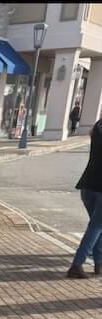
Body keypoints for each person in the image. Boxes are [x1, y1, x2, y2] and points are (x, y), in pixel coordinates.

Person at [67, 117, 102, 279]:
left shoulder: (97, 127)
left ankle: (99, 262)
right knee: (96, 226)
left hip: (87, 186)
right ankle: (77, 264)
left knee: (97, 226)